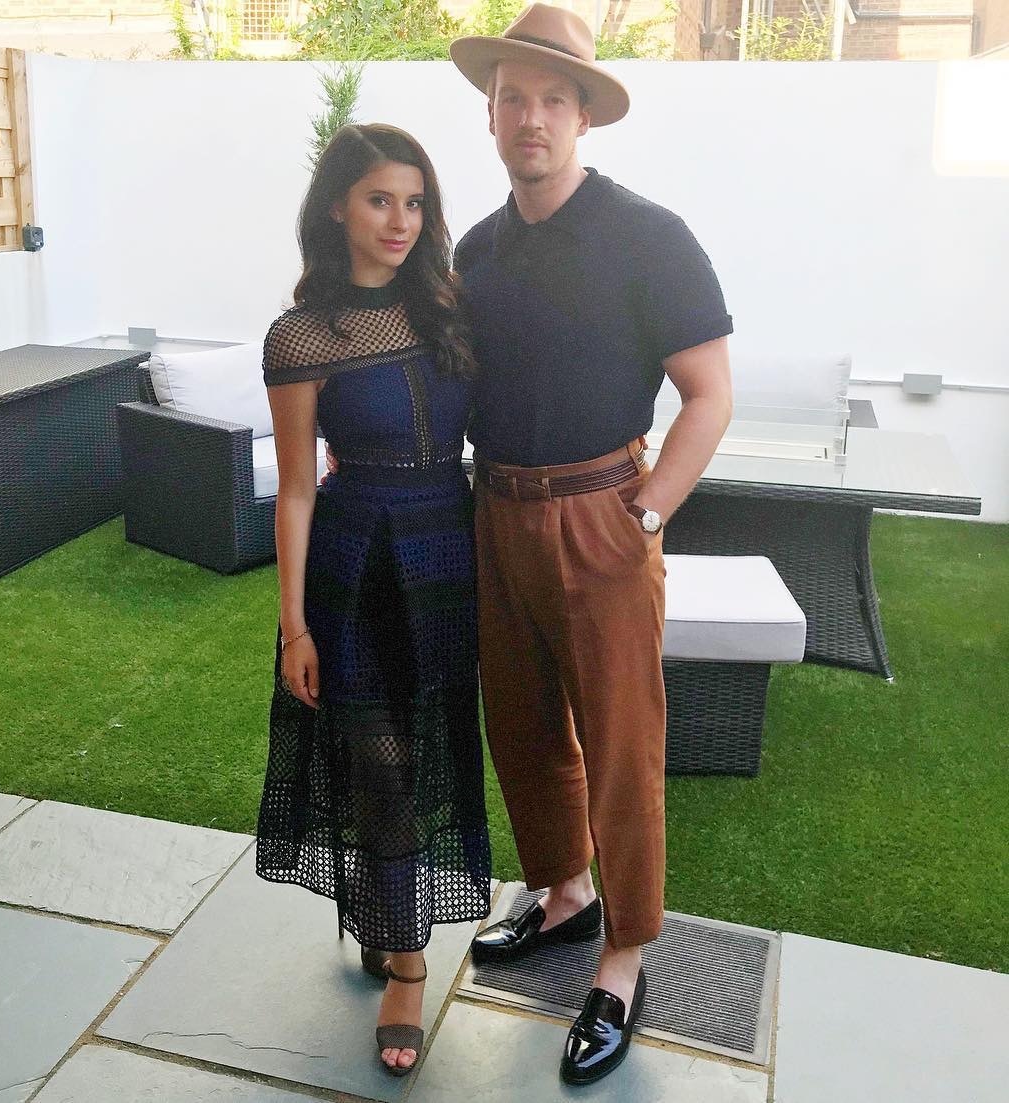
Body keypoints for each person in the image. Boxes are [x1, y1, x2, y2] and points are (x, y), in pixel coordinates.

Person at [448, 4, 734, 1086]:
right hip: (495, 511)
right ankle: (563, 891)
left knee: (619, 743)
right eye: (512, 98)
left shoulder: (649, 236)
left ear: (582, 117)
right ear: (490, 115)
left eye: (552, 100)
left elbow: (708, 394)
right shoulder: (475, 251)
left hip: (602, 514)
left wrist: (645, 514)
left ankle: (623, 956)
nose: (531, 117)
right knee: (521, 725)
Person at [253, 123, 491, 1077]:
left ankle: (385, 915)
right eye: (380, 200)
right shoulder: (303, 335)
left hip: (449, 553)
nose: (401, 220)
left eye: (415, 201)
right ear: (336, 209)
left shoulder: (448, 304)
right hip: (356, 565)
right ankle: (407, 965)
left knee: (430, 747)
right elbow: (297, 488)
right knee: (380, 763)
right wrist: (293, 626)